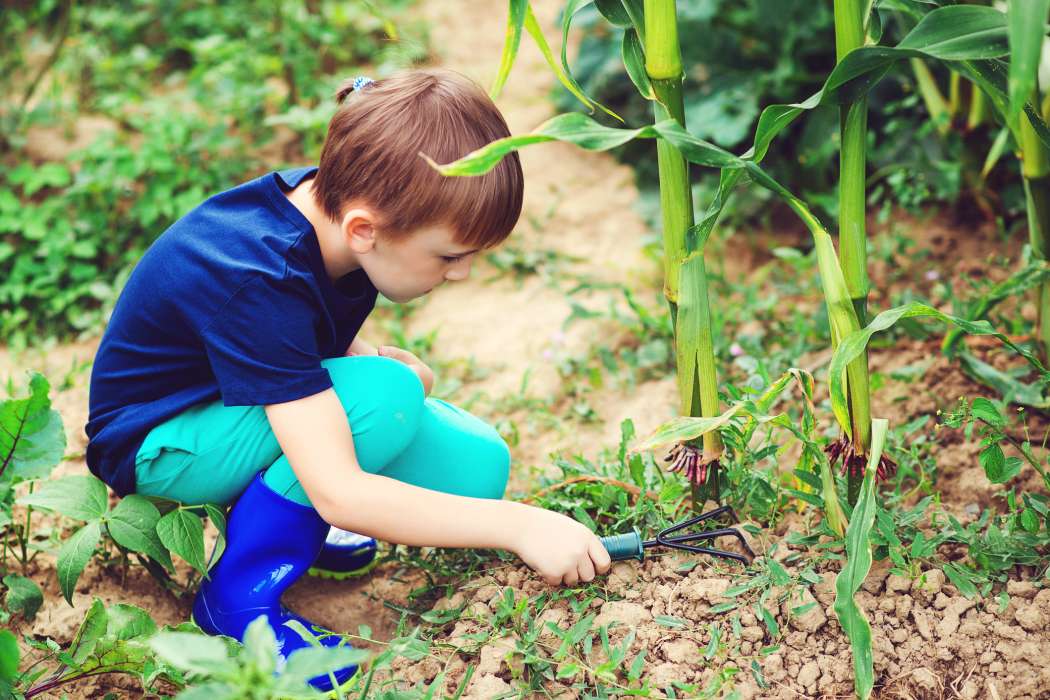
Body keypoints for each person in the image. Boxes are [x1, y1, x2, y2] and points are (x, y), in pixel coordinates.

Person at [85, 68, 612, 690]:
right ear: (365, 230)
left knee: (476, 470)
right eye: (450, 256)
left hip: (234, 406)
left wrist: (379, 364)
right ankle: (236, 603)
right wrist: (524, 526)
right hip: (159, 439)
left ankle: (288, 512)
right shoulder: (259, 275)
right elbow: (338, 477)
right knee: (382, 403)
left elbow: (314, 328)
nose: (464, 274)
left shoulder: (341, 222)